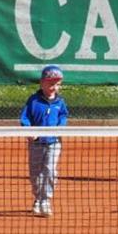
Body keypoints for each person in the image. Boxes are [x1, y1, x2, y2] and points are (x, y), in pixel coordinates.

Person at [20, 64, 69, 217]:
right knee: (35, 175)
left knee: (50, 171)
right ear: (42, 83)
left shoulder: (60, 102)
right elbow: (25, 117)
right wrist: (29, 129)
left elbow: (63, 116)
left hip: (54, 143)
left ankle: (46, 200)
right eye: (50, 83)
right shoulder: (33, 100)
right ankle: (38, 199)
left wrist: (60, 127)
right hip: (36, 144)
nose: (53, 87)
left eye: (57, 84)